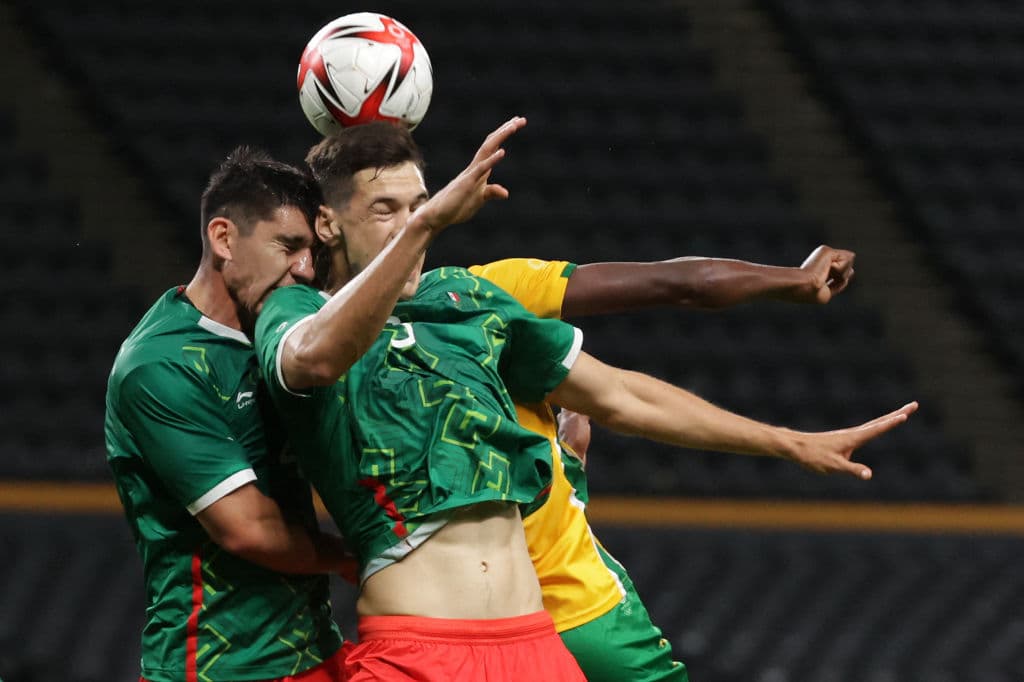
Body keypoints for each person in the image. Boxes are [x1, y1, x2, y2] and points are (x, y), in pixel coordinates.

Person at [253, 119, 917, 681]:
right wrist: (424, 226)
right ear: (327, 226)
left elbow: (620, 394)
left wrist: (790, 441)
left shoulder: (472, 298)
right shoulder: (299, 312)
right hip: (418, 647)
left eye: (415, 204)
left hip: (535, 643)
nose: (406, 223)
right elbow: (313, 358)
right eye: (383, 211)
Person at [465, 246, 854, 681]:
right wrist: (794, 279)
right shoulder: (477, 294)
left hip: (446, 628)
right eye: (387, 208)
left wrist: (565, 468)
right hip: (572, 613)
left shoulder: (402, 331)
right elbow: (680, 286)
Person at [104, 147, 352, 682]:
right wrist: (360, 555)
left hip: (316, 649)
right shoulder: (159, 366)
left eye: (312, 250)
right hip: (220, 665)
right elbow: (249, 530)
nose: (305, 269)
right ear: (223, 238)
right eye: (288, 246)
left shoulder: (285, 336)